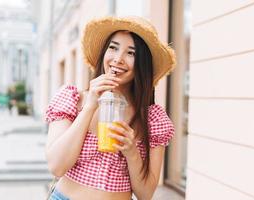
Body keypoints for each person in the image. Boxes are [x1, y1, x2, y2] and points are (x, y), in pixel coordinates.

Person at [45, 16, 176, 200]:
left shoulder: (152, 120)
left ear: (142, 64)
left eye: (131, 53)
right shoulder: (73, 100)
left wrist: (132, 152)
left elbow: (145, 194)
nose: (118, 59)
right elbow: (56, 166)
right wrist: (90, 106)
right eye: (113, 48)